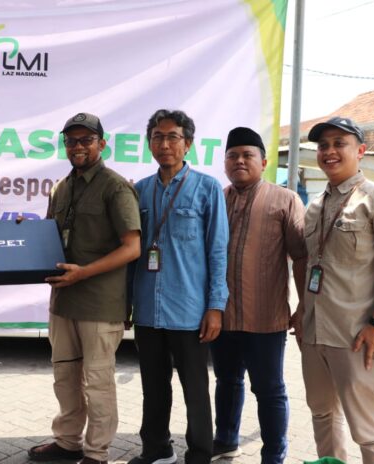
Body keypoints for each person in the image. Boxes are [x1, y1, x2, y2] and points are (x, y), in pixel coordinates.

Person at [290, 117, 374, 464]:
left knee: (369, 430)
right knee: (322, 415)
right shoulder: (315, 206)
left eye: (339, 143)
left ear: (360, 151)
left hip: (357, 335)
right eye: (323, 145)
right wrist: (302, 310)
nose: (329, 151)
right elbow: (312, 265)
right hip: (315, 333)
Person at [27, 112, 141, 464]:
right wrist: (22, 236)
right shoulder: (61, 188)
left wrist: (84, 273)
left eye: (86, 140)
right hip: (64, 301)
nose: (78, 146)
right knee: (65, 377)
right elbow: (50, 238)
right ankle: (67, 442)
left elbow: (132, 248)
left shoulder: (115, 187)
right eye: (71, 141)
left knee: (97, 382)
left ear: (101, 144)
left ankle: (96, 452)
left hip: (100, 304)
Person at [127, 109, 228, 464]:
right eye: (157, 137)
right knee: (153, 387)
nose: (165, 144)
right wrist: (126, 303)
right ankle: (157, 450)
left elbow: (218, 251)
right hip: (147, 309)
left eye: (173, 137)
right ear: (149, 143)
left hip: (190, 310)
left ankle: (200, 454)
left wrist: (215, 306)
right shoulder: (139, 191)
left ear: (188, 144)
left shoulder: (207, 188)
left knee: (196, 390)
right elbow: (130, 253)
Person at [210, 127, 307, 463]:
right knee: (226, 380)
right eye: (232, 155)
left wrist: (303, 306)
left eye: (247, 155)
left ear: (263, 162)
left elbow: (302, 256)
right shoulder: (217, 199)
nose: (239, 161)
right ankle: (225, 440)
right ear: (225, 162)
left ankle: (274, 455)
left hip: (266, 317)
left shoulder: (285, 200)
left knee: (269, 389)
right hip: (222, 315)